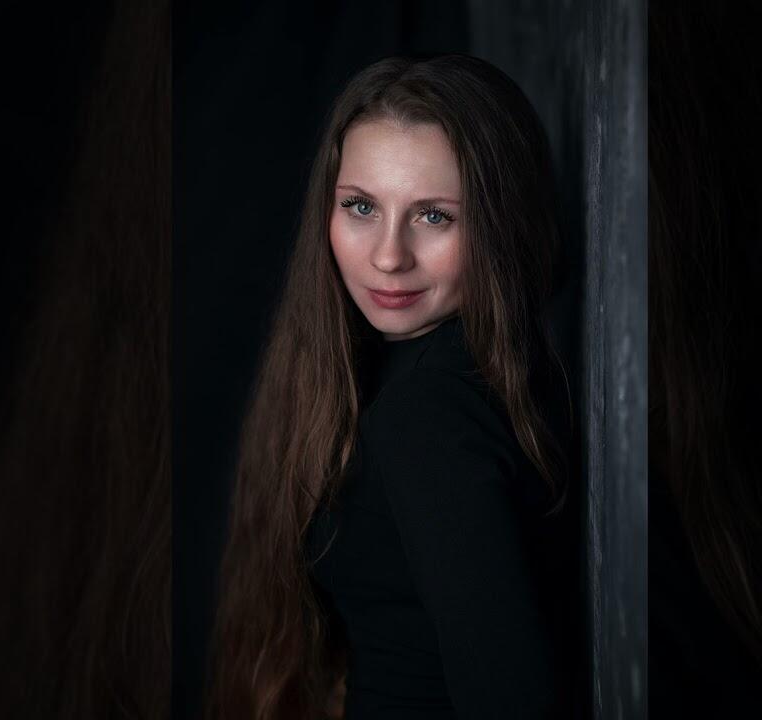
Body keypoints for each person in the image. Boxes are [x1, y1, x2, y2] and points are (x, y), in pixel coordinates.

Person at [204, 54, 584, 719]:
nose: (388, 256)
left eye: (434, 217)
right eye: (360, 207)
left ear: (503, 222)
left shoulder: (430, 414)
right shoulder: (475, 370)